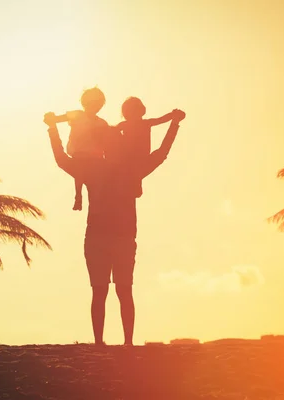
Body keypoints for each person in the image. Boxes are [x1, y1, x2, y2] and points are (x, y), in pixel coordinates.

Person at [44, 108, 186, 346]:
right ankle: (111, 343)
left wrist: (52, 129)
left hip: (111, 237)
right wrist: (173, 124)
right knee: (112, 291)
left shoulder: (115, 169)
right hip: (109, 237)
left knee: (116, 291)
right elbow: (160, 154)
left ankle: (121, 342)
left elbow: (61, 160)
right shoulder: (124, 170)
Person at [50, 87, 109, 211]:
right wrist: (52, 119)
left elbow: (107, 141)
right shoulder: (78, 114)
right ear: (85, 103)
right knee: (79, 168)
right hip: (79, 154)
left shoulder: (102, 123)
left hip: (96, 159)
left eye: (98, 104)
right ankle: (78, 195)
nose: (95, 106)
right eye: (93, 103)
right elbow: (60, 118)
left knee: (86, 175)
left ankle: (81, 196)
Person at [116, 97, 178, 197]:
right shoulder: (141, 123)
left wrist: (172, 115)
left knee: (135, 176)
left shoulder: (128, 124)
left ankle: (133, 186)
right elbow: (161, 119)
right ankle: (134, 186)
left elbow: (161, 119)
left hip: (136, 160)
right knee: (135, 177)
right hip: (136, 159)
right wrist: (172, 116)